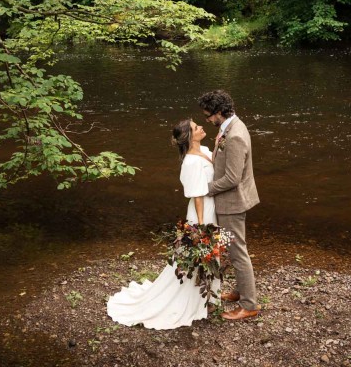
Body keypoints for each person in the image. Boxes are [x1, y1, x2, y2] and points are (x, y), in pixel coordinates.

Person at [106, 119, 219, 329]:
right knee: (197, 254)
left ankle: (209, 296)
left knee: (212, 253)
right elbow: (197, 196)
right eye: (196, 128)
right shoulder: (191, 162)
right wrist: (202, 227)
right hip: (202, 213)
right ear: (188, 136)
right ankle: (194, 300)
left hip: (213, 207)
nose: (202, 127)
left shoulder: (204, 149)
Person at [198, 89, 260, 320]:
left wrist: (204, 189)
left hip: (232, 203)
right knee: (233, 250)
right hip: (231, 200)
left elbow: (232, 178)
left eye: (209, 116)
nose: (208, 120)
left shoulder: (234, 136)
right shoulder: (231, 126)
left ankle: (250, 304)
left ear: (221, 112)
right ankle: (239, 291)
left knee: (237, 254)